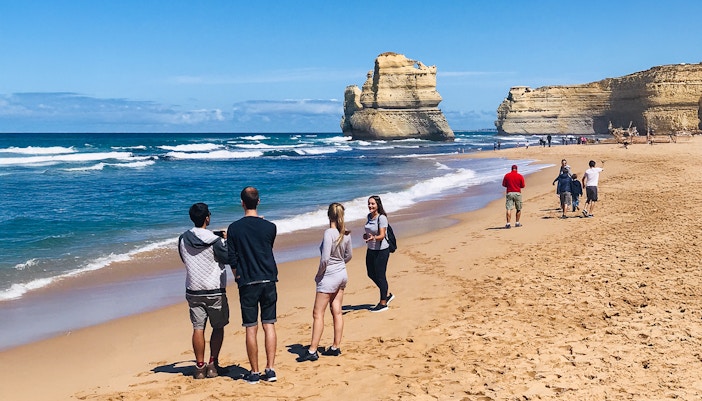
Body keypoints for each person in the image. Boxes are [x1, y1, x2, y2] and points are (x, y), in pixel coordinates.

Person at [226, 187, 279, 384]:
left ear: (242, 203)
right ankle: (270, 368)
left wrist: (238, 277)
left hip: (247, 280)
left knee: (251, 327)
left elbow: (232, 259)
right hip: (268, 278)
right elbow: (266, 246)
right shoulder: (270, 227)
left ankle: (255, 372)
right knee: (269, 324)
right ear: (258, 202)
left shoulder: (234, 228)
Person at [178, 203, 230, 379]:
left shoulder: (183, 238)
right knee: (218, 327)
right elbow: (228, 257)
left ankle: (199, 366)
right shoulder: (215, 241)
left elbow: (185, 259)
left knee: (198, 327)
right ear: (207, 218)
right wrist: (226, 240)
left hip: (194, 288)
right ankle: (213, 364)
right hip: (214, 288)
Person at [299, 203, 353, 362]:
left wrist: (319, 274)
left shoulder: (329, 233)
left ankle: (312, 350)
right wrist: (340, 264)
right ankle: (335, 346)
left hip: (329, 276)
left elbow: (325, 259)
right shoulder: (346, 233)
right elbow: (349, 255)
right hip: (342, 274)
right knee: (337, 311)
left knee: (318, 313)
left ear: (329, 216)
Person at [364, 195, 394, 313]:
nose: (370, 206)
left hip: (382, 250)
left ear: (378, 205)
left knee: (380, 275)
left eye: (373, 204)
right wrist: (367, 236)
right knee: (371, 273)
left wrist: (373, 238)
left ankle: (383, 303)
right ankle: (385, 293)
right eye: (369, 203)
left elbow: (381, 236)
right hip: (371, 249)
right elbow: (370, 231)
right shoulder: (369, 216)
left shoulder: (382, 218)